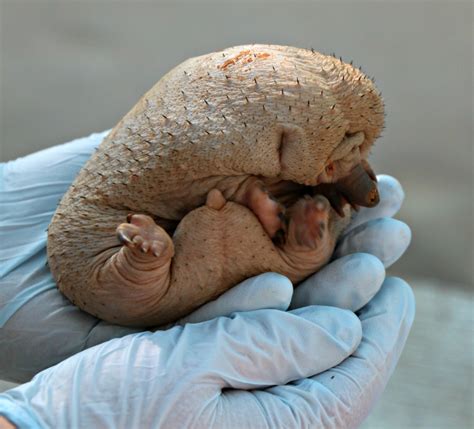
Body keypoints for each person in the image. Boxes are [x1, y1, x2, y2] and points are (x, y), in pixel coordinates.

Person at [0, 131, 414, 428]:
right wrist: (41, 418)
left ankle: (273, 225)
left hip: (207, 254)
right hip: (194, 269)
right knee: (279, 270)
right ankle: (279, 234)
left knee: (277, 267)